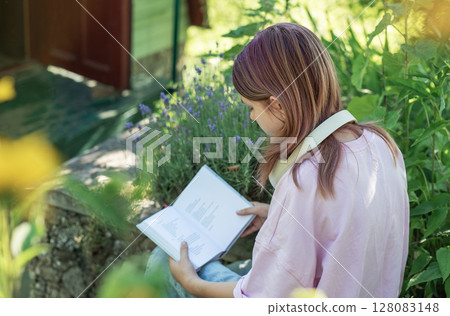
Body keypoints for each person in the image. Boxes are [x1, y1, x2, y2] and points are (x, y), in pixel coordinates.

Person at [147, 22, 409, 298]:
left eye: (251, 108)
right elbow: (350, 231)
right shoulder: (381, 144)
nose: (250, 118)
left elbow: (262, 299)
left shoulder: (305, 179)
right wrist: (278, 214)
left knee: (161, 262)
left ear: (277, 105)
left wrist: (191, 283)